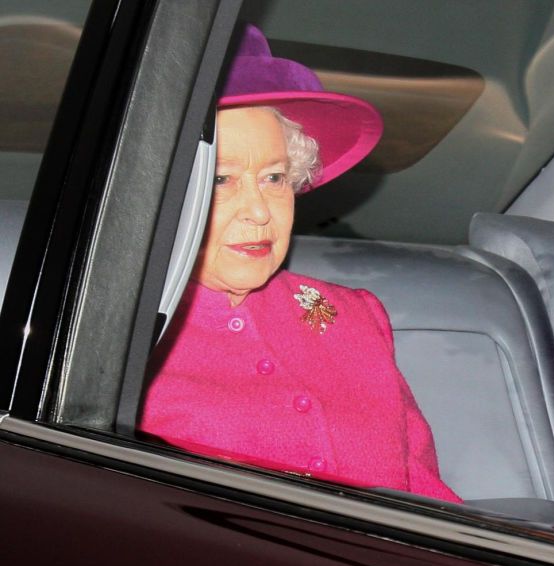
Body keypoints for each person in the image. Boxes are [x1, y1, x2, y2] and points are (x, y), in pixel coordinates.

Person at [140, 25, 459, 503]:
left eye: (274, 177)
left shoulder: (353, 316)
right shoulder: (115, 336)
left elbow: (430, 501)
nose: (260, 210)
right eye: (223, 179)